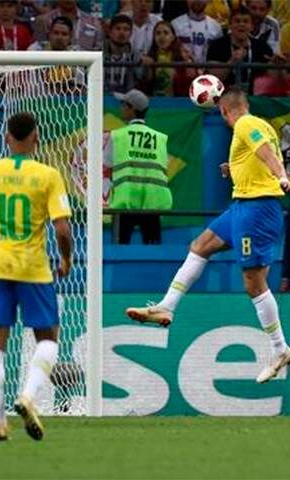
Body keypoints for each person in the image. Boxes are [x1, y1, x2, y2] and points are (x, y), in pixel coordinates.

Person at [126, 88, 290, 384]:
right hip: (242, 204)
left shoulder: (245, 124)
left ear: (225, 111)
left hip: (258, 208)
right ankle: (167, 307)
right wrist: (235, 168)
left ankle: (279, 349)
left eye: (222, 116)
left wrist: (281, 175)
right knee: (200, 245)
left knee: (253, 283)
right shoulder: (257, 124)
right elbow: (257, 153)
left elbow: (264, 150)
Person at [0, 112, 73, 441]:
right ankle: (28, 396)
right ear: (36, 138)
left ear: (6, 138)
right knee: (48, 338)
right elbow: (62, 228)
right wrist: (65, 259)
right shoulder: (48, 175)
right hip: (34, 268)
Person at [108, 89, 172, 244]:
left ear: (132, 109)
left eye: (123, 104)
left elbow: (108, 162)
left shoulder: (117, 136)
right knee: (153, 253)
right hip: (153, 202)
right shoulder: (160, 138)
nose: (121, 108)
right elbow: (164, 165)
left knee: (120, 250)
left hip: (126, 201)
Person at [207, 6, 272, 92]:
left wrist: (276, 64)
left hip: (254, 98)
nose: (241, 24)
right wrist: (232, 61)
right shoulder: (217, 46)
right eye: (237, 21)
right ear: (230, 26)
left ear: (252, 26)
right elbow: (214, 79)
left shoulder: (263, 47)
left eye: (245, 21)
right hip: (224, 96)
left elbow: (272, 78)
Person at [142, 21, 197, 96]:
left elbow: (191, 83)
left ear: (173, 37)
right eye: (158, 33)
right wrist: (148, 67)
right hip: (154, 101)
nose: (162, 36)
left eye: (166, 33)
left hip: (177, 101)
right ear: (154, 38)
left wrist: (188, 63)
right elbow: (146, 84)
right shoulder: (150, 56)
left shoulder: (183, 55)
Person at [33, 0, 102, 50]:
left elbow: (99, 51)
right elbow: (39, 48)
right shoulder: (43, 20)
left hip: (85, 67)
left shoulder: (93, 22)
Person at [104, 14, 137, 94]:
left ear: (131, 33)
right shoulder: (98, 55)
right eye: (118, 29)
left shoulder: (136, 56)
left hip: (127, 101)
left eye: (126, 29)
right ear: (110, 32)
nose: (122, 32)